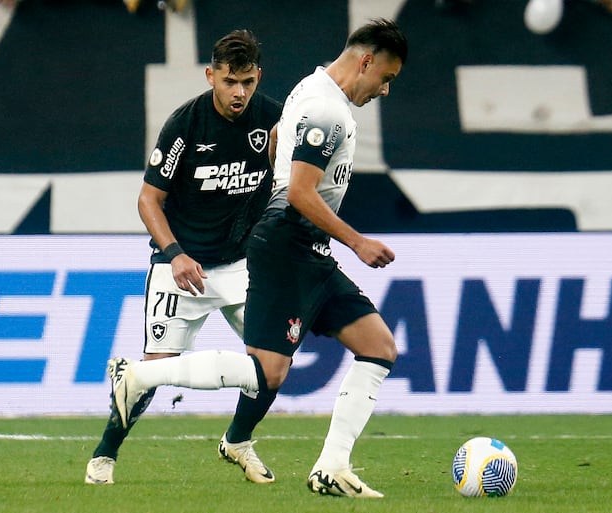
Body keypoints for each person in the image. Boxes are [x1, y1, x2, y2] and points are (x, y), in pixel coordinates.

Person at [108, 18, 408, 498]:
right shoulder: (324, 108)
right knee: (268, 370)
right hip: (287, 244)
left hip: (306, 249)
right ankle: (142, 373)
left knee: (378, 347)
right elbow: (299, 193)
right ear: (366, 60)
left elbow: (276, 151)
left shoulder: (309, 94)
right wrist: (358, 241)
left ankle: (332, 467)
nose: (384, 90)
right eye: (386, 78)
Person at [84, 29, 282, 485]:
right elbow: (148, 200)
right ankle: (105, 454)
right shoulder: (185, 125)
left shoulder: (274, 121)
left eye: (248, 82)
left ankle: (238, 441)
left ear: (259, 79)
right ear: (211, 75)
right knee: (152, 374)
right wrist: (174, 254)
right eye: (230, 82)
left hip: (240, 266)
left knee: (272, 364)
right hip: (181, 267)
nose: (239, 93)